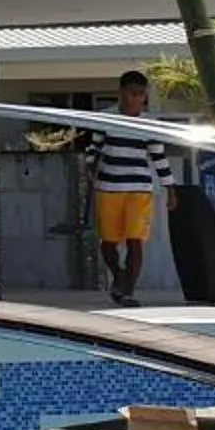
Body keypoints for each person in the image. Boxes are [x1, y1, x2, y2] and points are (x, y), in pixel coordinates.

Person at [86, 70, 175, 304]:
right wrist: (89, 165)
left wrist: (170, 189)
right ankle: (119, 274)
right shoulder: (105, 119)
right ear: (121, 93)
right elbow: (93, 148)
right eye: (131, 94)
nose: (136, 99)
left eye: (140, 95)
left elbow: (159, 158)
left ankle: (128, 291)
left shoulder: (149, 125)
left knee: (135, 240)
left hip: (139, 188)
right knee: (108, 243)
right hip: (108, 187)